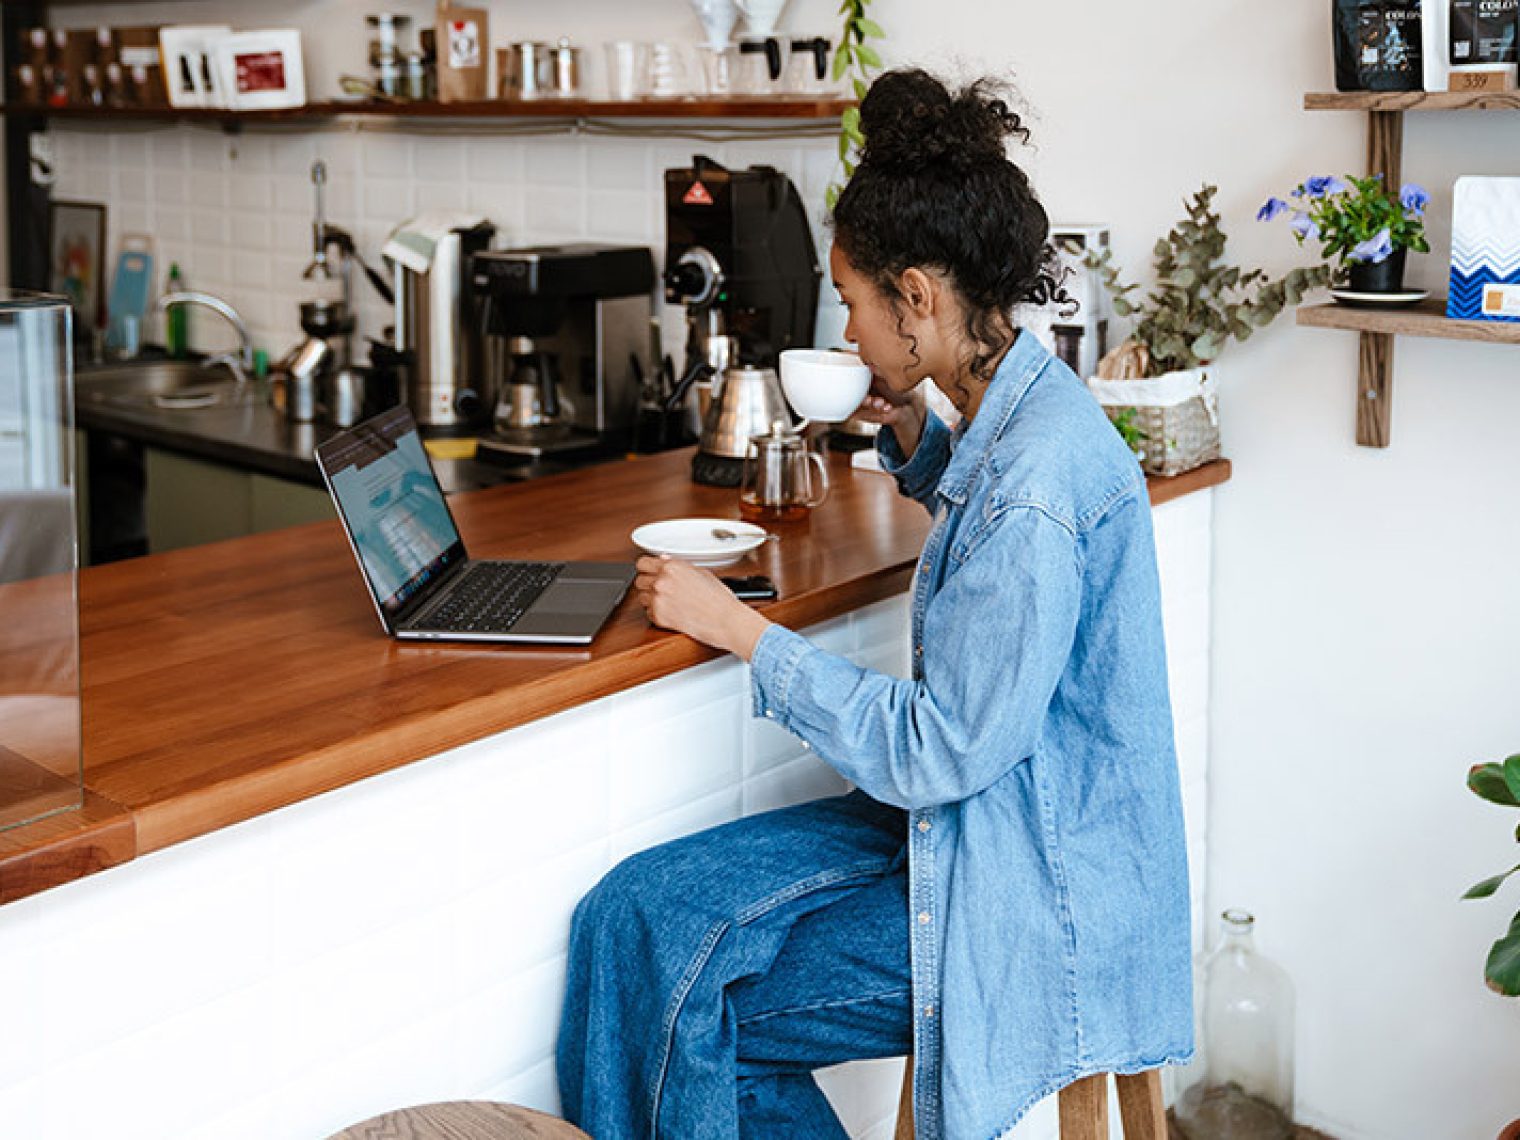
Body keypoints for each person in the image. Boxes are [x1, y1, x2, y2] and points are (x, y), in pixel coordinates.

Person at [556, 68, 1193, 1140]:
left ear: (918, 298)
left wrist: (739, 632)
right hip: (983, 830)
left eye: (852, 301)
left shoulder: (1035, 490)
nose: (846, 332)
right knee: (634, 915)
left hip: (1024, 897)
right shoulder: (1026, 411)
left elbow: (941, 749)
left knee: (674, 988)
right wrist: (914, 442)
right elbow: (993, 547)